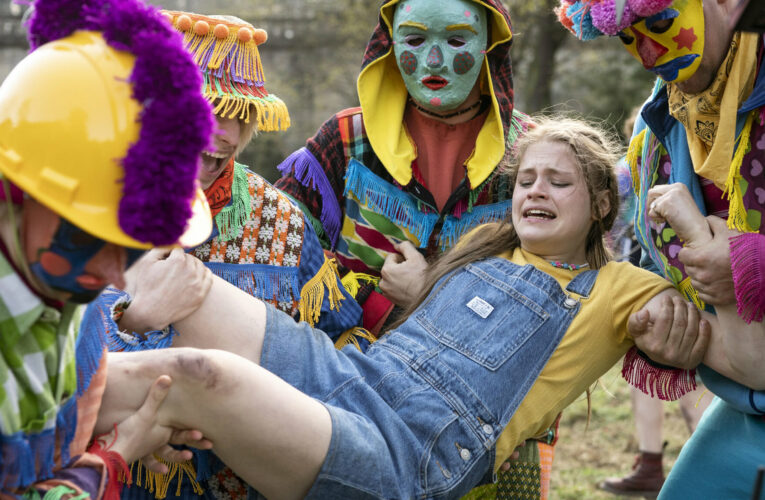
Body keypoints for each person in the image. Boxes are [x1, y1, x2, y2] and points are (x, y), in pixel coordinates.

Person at [93, 117, 756, 500]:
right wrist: (417, 289)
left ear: (601, 204)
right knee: (183, 275)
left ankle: (39, 424)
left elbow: (741, 361)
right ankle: (94, 342)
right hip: (352, 376)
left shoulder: (619, 287)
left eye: (558, 181)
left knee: (196, 375)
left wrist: (702, 298)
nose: (534, 190)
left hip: (407, 451)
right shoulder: (484, 249)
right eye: (525, 178)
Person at [86, 10, 363, 499]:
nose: (226, 137)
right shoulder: (85, 208)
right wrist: (132, 323)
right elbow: (41, 361)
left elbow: (337, 356)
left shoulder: (281, 219)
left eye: (243, 117)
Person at [0, 0, 218, 497]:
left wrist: (105, 423)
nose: (118, 277)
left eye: (135, 248)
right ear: (16, 191)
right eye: (91, 238)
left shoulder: (54, 283)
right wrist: (111, 462)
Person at [556, 0, 765, 497]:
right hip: (747, 413)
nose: (648, 54)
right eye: (629, 38)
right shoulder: (658, 130)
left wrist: (749, 262)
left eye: (663, 25)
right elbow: (656, 263)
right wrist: (663, 319)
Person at [599, 108, 712, 498]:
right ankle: (653, 463)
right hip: (672, 281)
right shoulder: (687, 164)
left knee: (678, 375)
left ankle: (678, 461)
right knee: (666, 375)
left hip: (658, 283)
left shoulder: (629, 172)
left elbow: (606, 220)